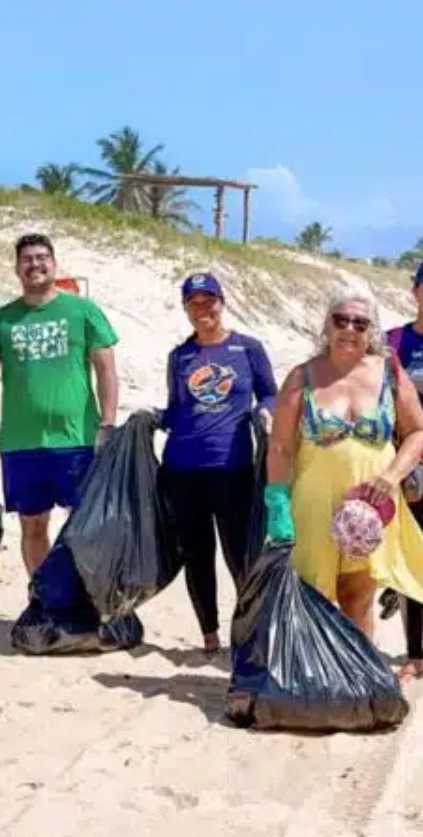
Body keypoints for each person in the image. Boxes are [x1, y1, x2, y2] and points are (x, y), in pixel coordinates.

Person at [265, 287, 423, 641]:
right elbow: (280, 448)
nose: (350, 329)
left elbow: (417, 433)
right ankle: (310, 680)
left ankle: (360, 681)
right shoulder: (301, 377)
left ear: (372, 332)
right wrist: (276, 504)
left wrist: (392, 476)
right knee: (309, 595)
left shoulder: (390, 373)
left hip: (372, 507)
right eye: (341, 320)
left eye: (360, 323)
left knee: (357, 597)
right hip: (312, 504)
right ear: (326, 326)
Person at [0, 233, 119, 575]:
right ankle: (43, 598)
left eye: (41, 258)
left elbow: (106, 369)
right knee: (33, 527)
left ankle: (86, 598)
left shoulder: (83, 311)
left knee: (86, 525)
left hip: (77, 439)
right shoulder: (0, 320)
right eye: (27, 259)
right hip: (22, 442)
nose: (34, 264)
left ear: (54, 263)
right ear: (17, 269)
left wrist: (107, 424)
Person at [159, 273, 277, 652]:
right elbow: (178, 409)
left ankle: (249, 632)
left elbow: (270, 393)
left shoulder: (248, 349)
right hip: (182, 469)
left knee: (240, 554)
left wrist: (265, 412)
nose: (203, 308)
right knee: (196, 555)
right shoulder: (179, 356)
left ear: (222, 303)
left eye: (209, 300)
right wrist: (152, 417)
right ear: (185, 309)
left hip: (233, 467)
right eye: (194, 302)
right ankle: (209, 635)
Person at [383, 260, 423, 679]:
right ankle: (416, 652)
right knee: (416, 559)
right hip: (411, 468)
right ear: (415, 290)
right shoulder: (393, 342)